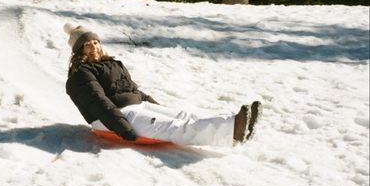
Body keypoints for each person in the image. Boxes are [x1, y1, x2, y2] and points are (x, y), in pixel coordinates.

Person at [64, 22, 261, 147]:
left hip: (134, 108)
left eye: (95, 42)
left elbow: (134, 91)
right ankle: (232, 130)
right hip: (114, 117)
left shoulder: (112, 63)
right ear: (78, 51)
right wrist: (121, 126)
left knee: (183, 115)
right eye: (87, 45)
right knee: (174, 127)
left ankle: (236, 122)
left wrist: (157, 108)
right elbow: (98, 102)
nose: (93, 47)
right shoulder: (80, 75)